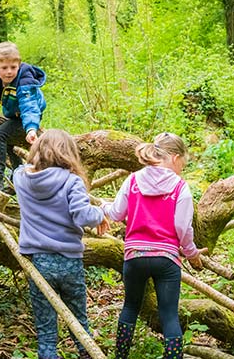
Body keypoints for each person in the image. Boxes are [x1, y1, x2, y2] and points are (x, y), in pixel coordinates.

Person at [101, 132, 206, 359]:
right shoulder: (181, 187)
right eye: (183, 164)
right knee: (169, 315)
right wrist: (192, 253)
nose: (182, 169)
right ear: (176, 158)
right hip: (166, 259)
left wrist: (102, 207)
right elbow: (182, 228)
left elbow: (117, 213)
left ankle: (120, 356)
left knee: (130, 307)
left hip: (135, 255)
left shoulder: (133, 179)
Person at [13, 129, 110, 359]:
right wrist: (100, 213)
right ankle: (86, 355)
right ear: (69, 153)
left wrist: (36, 147)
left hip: (39, 263)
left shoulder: (21, 178)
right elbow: (82, 216)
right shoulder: (72, 181)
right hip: (69, 262)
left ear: (37, 151)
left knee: (46, 332)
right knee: (79, 323)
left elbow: (20, 167)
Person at [0, 41, 46, 196]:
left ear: (19, 65)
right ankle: (17, 177)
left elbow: (29, 106)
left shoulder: (24, 81)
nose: (9, 72)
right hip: (13, 116)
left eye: (13, 67)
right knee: (6, 141)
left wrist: (31, 128)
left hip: (28, 117)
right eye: (4, 68)